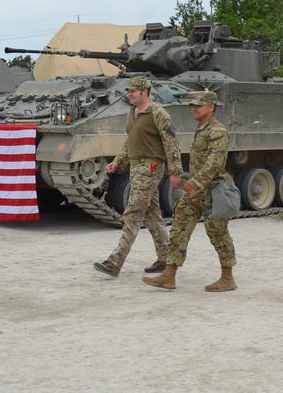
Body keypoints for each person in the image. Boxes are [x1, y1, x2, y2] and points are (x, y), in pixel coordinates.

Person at [142, 90, 237, 291]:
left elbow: (214, 163)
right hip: (194, 192)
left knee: (218, 234)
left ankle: (228, 278)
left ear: (211, 107)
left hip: (211, 191)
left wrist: (197, 182)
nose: (194, 109)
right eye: (192, 105)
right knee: (179, 229)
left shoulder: (217, 131)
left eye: (198, 105)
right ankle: (169, 275)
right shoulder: (202, 128)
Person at [93, 75, 182, 277]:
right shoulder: (132, 113)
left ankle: (115, 262)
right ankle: (166, 258)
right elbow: (130, 140)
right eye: (128, 91)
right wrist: (118, 160)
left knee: (132, 214)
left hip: (150, 167)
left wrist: (175, 171)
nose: (129, 94)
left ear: (144, 92)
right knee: (152, 215)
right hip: (135, 167)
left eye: (132, 91)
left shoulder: (158, 113)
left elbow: (171, 143)